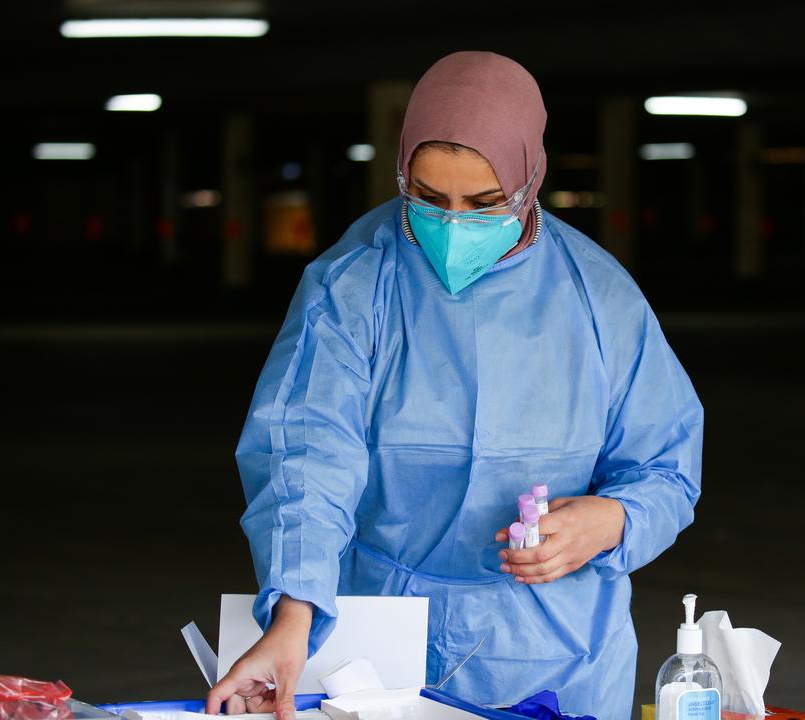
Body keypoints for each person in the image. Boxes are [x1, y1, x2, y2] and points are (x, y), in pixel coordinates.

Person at [207, 51, 703, 720]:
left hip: (558, 655)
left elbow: (665, 465)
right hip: (373, 653)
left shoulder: (599, 298)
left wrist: (612, 521)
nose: (453, 225)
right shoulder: (352, 286)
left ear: (531, 180)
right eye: (429, 200)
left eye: (484, 203)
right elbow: (306, 454)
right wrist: (294, 613)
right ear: (401, 173)